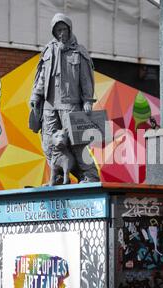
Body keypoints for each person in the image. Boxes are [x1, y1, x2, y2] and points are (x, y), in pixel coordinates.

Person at [29, 13, 100, 185]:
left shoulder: (79, 52)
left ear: (69, 29)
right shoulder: (48, 50)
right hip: (49, 106)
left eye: (63, 29)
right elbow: (42, 77)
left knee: (78, 143)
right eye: (58, 30)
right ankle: (59, 176)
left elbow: (85, 78)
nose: (61, 33)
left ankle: (89, 175)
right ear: (53, 32)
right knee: (48, 143)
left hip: (71, 105)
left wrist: (88, 100)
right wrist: (36, 96)